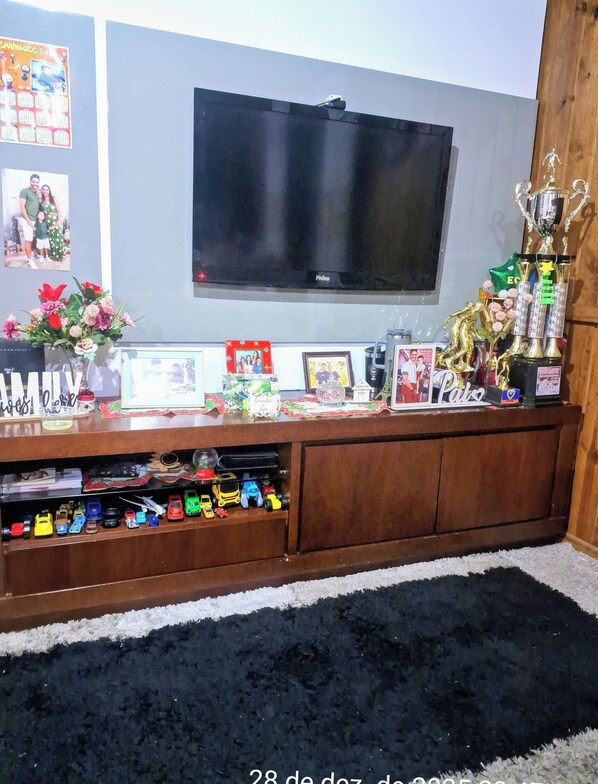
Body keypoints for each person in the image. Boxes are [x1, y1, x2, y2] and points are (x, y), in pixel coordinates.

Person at [18, 173, 40, 268]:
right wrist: (28, 220)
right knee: (28, 240)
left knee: (31, 240)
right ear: (30, 181)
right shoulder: (24, 191)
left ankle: (29, 256)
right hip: (27, 219)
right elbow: (22, 206)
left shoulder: (36, 194)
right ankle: (30, 261)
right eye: (33, 181)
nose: (35, 183)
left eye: (37, 182)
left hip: (34, 220)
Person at [39, 184, 65, 262]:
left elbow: (59, 211)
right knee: (49, 240)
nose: (45, 191)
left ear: (49, 190)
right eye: (43, 189)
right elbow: (40, 212)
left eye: (47, 189)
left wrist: (58, 222)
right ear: (41, 191)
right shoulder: (41, 200)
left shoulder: (54, 199)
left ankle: (58, 256)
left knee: (57, 239)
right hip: (47, 224)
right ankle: (50, 255)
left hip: (55, 223)